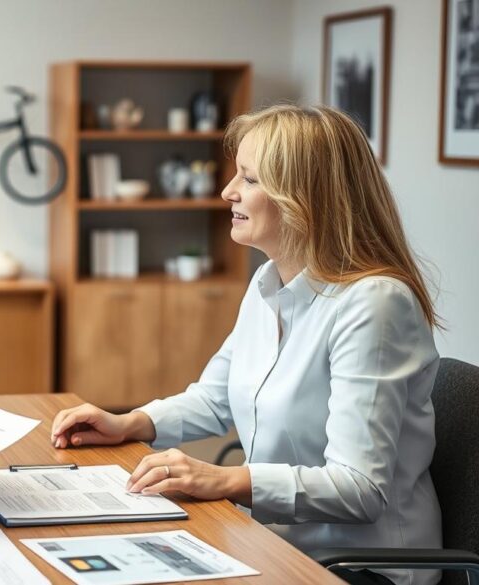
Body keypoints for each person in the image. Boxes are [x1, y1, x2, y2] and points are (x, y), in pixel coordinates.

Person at [51, 105, 442, 585]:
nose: (227, 192)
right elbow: (216, 398)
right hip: (275, 545)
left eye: (251, 179)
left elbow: (359, 489)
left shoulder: (375, 305)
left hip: (359, 570)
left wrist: (228, 479)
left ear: (306, 198)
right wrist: (132, 422)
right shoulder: (268, 282)